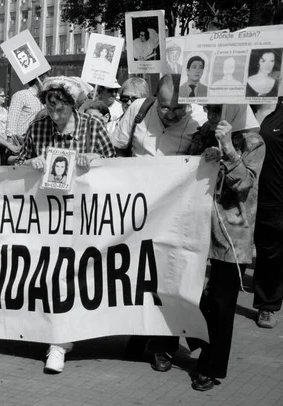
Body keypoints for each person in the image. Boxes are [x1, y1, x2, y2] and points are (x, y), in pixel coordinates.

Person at [16, 76, 115, 373]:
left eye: (61, 110)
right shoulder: (38, 126)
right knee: (51, 276)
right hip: (46, 218)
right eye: (50, 109)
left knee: (75, 277)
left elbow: (119, 168)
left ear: (73, 106)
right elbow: (16, 163)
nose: (55, 116)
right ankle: (57, 341)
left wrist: (96, 159)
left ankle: (62, 340)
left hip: (83, 218)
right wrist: (30, 163)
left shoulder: (93, 127)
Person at [114, 74, 207, 372]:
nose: (171, 114)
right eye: (165, 107)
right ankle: (140, 334)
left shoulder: (200, 121)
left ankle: (162, 346)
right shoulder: (138, 110)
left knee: (167, 277)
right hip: (135, 211)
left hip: (173, 213)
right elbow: (116, 147)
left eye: (179, 109)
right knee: (136, 276)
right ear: (155, 98)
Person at [187, 104, 264, 391]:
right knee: (194, 294)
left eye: (216, 110)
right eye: (208, 109)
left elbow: (244, 184)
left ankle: (210, 366)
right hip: (197, 226)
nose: (210, 115)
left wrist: (228, 148)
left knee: (221, 303)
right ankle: (196, 340)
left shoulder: (254, 142)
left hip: (232, 234)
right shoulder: (204, 132)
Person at [253, 96, 283, 328]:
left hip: (273, 195)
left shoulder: (280, 113)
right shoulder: (240, 108)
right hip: (238, 193)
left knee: (270, 252)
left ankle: (267, 305)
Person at [6, 76, 45, 146]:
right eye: (45, 80)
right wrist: (10, 143)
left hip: (40, 142)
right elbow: (12, 121)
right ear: (39, 80)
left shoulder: (45, 99)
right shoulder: (21, 95)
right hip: (22, 142)